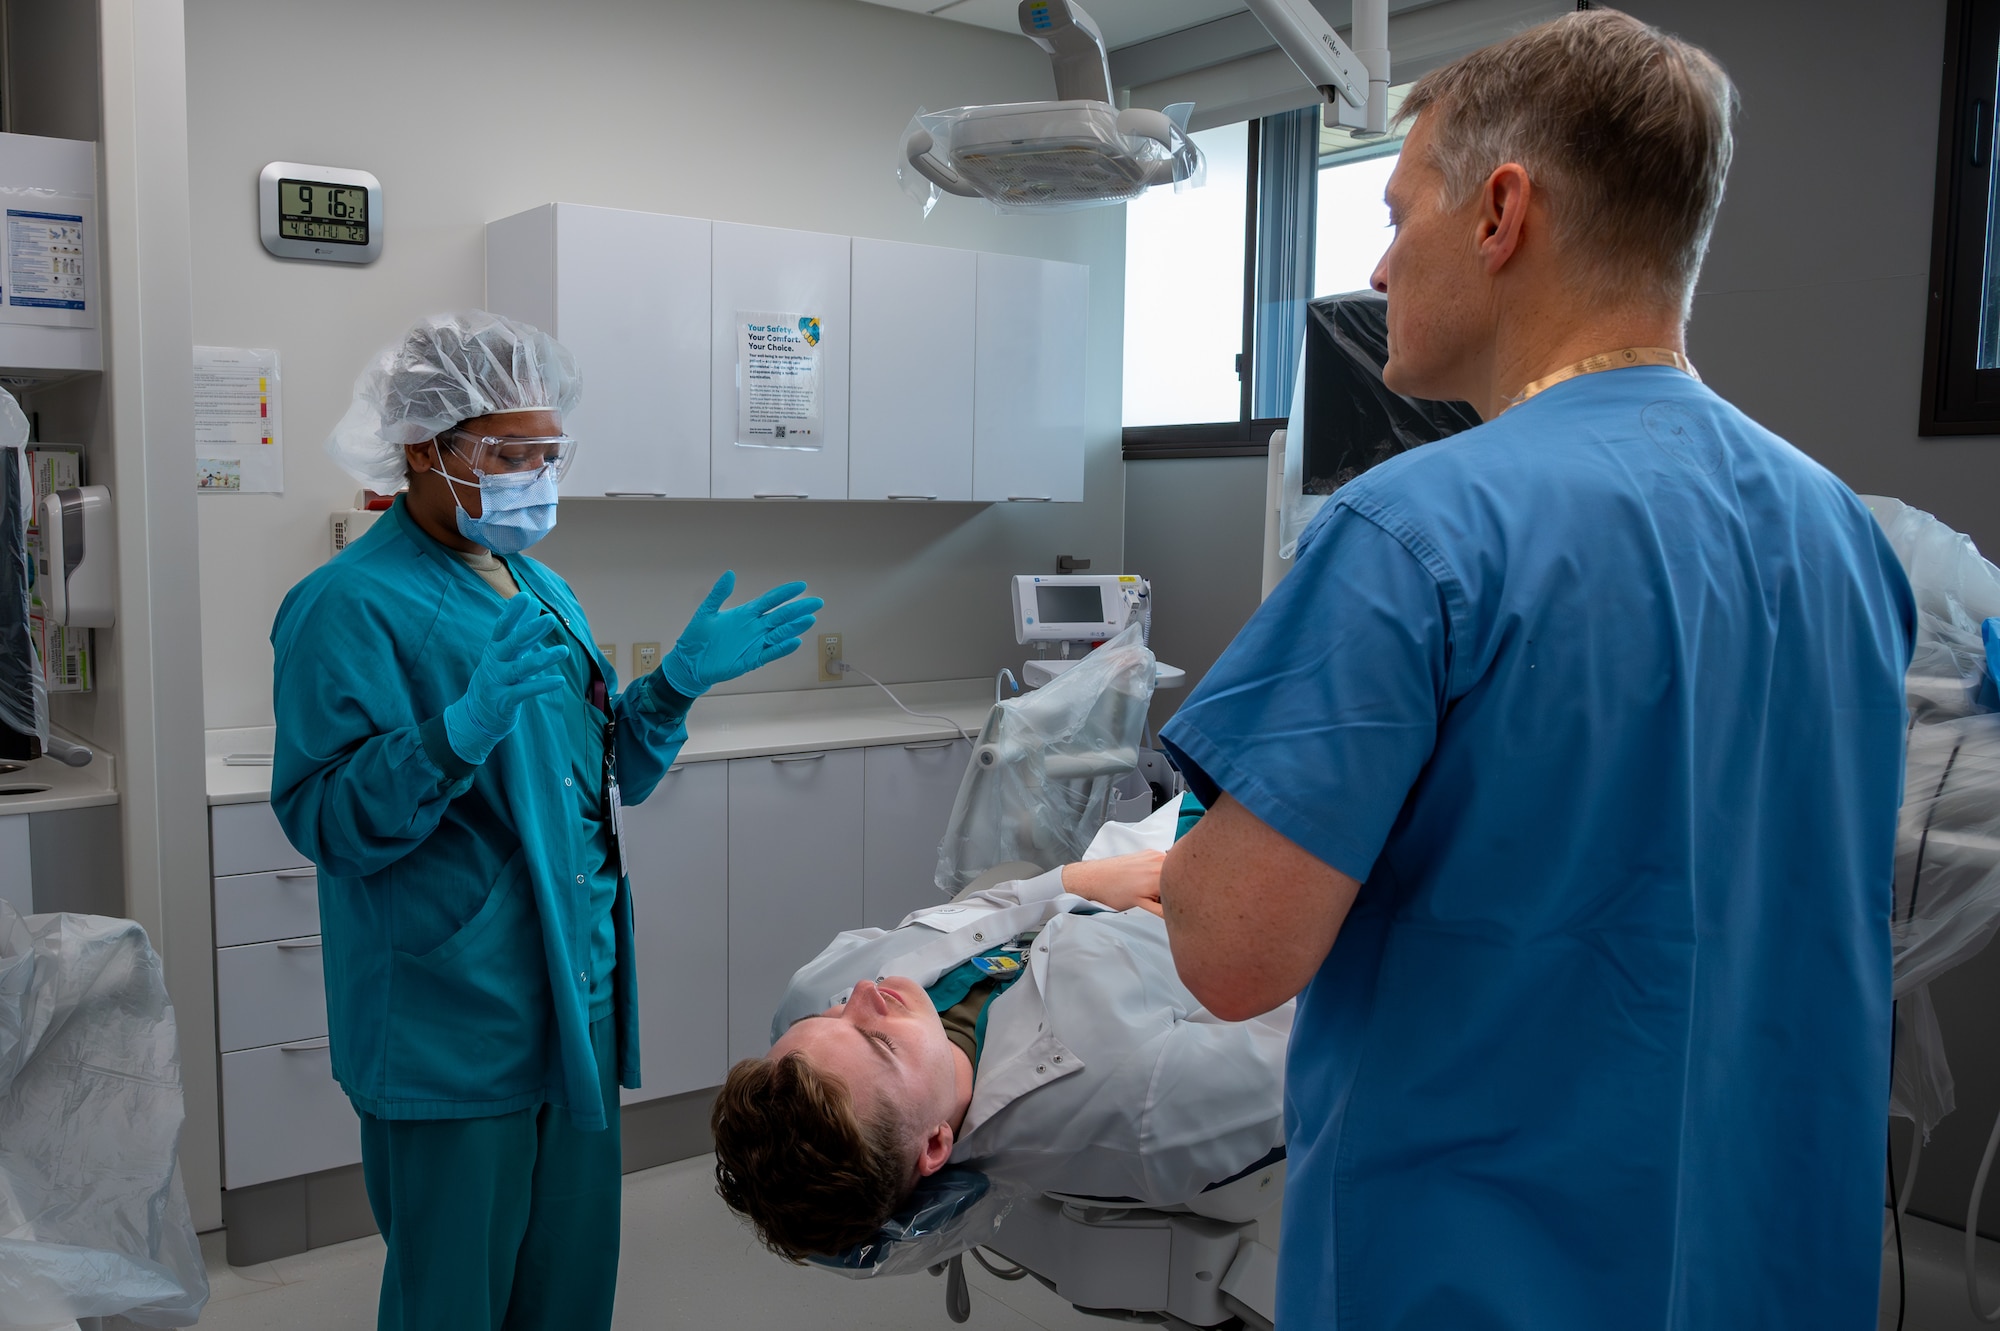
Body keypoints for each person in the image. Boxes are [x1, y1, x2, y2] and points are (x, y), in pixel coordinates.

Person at [1156, 11, 1916, 1329]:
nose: (1379, 267)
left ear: (1501, 212)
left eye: (1398, 214)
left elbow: (1231, 951)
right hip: (1769, 1263)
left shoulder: (1414, 530)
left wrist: (1187, 838)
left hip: (1482, 1270)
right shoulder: (1840, 533)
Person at [270, 311, 822, 1331]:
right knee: (454, 1298)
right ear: (423, 447)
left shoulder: (542, 586)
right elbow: (324, 817)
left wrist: (672, 688)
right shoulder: (347, 604)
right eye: (507, 453)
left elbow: (602, 776)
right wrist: (451, 737)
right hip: (452, 1011)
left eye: (547, 453)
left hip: (575, 993)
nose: (534, 475)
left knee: (569, 1284)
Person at [709, 799, 1288, 1261]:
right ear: (935, 1144)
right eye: (878, 1041)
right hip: (1265, 882)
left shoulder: (810, 999)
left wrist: (1076, 880)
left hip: (1154, 841)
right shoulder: (1144, 1108)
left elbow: (970, 919)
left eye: (831, 1017)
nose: (862, 993)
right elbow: (1307, 1038)